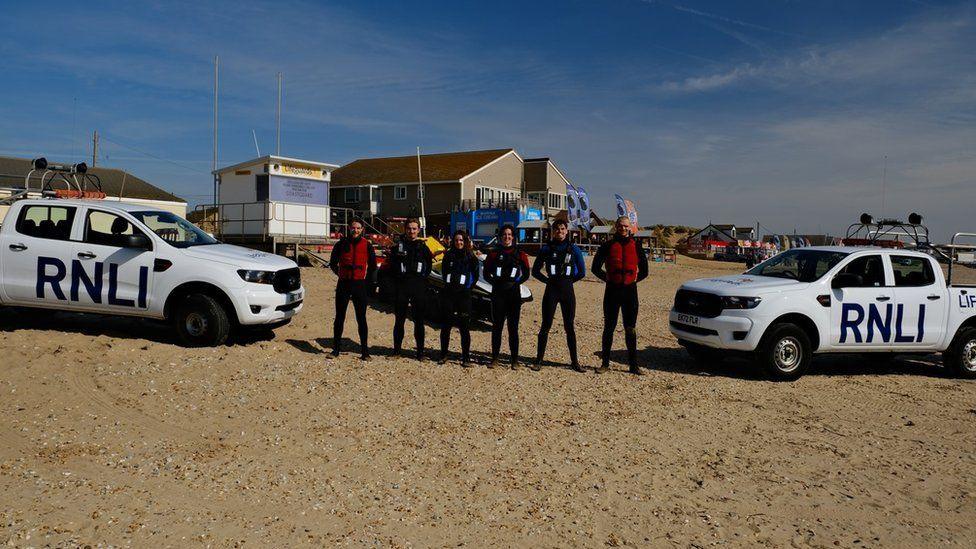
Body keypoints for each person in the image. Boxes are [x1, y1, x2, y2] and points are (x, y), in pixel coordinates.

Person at [593, 216, 649, 375]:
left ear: (629, 227)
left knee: (630, 329)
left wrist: (633, 281)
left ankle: (633, 365)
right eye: (620, 226)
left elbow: (645, 270)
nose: (623, 228)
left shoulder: (636, 246)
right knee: (609, 327)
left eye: (625, 226)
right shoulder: (607, 245)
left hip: (630, 292)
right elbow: (595, 268)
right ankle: (605, 363)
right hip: (612, 291)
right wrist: (609, 279)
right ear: (616, 227)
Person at [532, 219, 586, 372]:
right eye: (557, 229)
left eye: (562, 229)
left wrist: (568, 281)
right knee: (545, 326)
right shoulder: (546, 249)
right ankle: (538, 360)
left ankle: (575, 362)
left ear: (566, 231)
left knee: (569, 327)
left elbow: (582, 272)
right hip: (551, 291)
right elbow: (535, 271)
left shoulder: (574, 249)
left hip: (567, 292)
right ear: (552, 231)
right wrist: (548, 281)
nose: (560, 232)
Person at [483, 224, 531, 369]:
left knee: (513, 328)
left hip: (513, 295)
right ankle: (495, 358)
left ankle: (514, 360)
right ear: (500, 237)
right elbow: (486, 273)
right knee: (497, 327)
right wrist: (496, 283)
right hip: (498, 294)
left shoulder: (520, 254)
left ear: (513, 237)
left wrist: (516, 283)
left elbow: (526, 274)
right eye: (504, 234)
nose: (507, 237)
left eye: (509, 235)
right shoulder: (493, 254)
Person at [329, 219, 377, 360]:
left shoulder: (367, 245)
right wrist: (341, 274)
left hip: (359, 285)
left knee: (361, 318)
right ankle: (335, 350)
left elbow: (373, 266)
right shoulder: (341, 244)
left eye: (358, 228)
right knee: (339, 317)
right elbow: (333, 263)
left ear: (362, 229)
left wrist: (367, 282)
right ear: (349, 228)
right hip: (344, 283)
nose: (355, 230)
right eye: (353, 228)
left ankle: (365, 351)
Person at [388, 219, 433, 360]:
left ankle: (420, 353)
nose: (411, 231)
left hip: (418, 287)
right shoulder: (398, 247)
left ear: (418, 230)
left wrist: (421, 281)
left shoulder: (423, 248)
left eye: (414, 229)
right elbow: (392, 267)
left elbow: (429, 267)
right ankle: (396, 351)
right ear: (405, 229)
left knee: (419, 321)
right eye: (409, 228)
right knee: (399, 320)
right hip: (402, 287)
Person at [438, 230, 479, 367]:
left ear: (465, 241)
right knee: (446, 326)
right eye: (456, 240)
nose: (458, 242)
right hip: (449, 295)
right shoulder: (448, 255)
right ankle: (444, 354)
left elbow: (476, 275)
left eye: (461, 240)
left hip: (464, 296)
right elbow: (444, 273)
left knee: (464, 327)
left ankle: (465, 357)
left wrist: (467, 288)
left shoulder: (470, 257)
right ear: (453, 241)